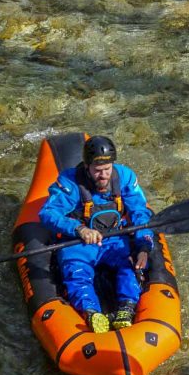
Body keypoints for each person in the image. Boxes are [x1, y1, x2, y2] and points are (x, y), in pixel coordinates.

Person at [38, 135, 153, 333]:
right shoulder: (70, 182)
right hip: (80, 241)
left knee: (130, 265)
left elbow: (140, 212)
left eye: (107, 170)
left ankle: (126, 308)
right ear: (87, 167)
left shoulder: (124, 177)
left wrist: (144, 246)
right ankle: (91, 312)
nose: (103, 175)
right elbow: (48, 213)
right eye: (97, 171)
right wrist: (78, 229)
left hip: (115, 237)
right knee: (77, 272)